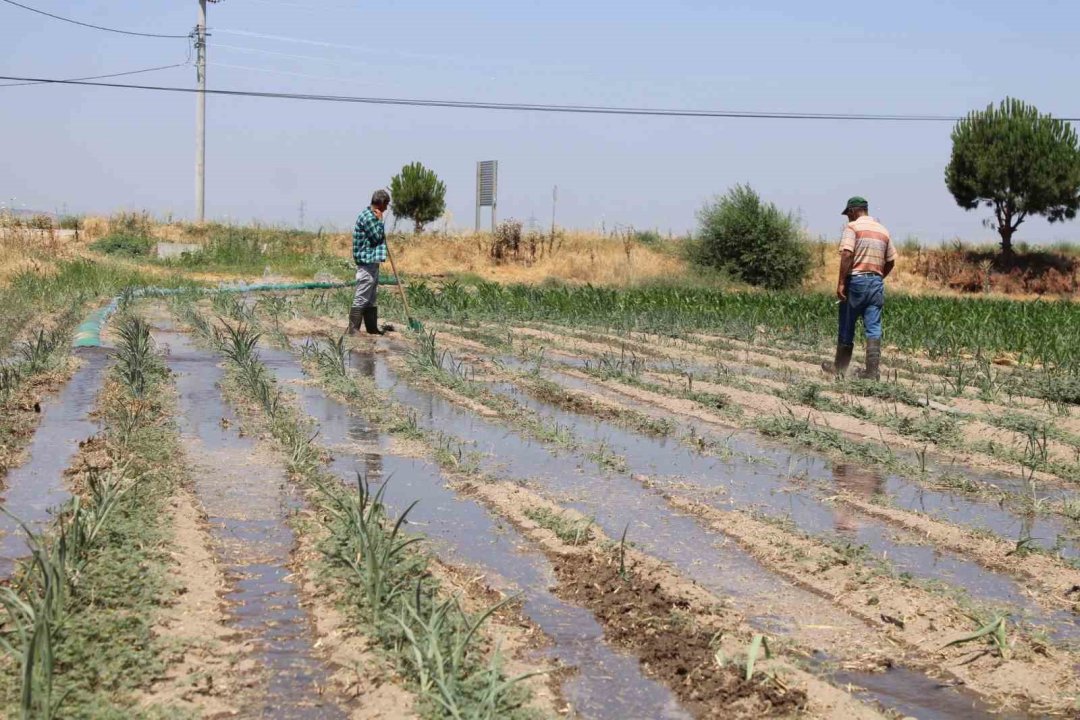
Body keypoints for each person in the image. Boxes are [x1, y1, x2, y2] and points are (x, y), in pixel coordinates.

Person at [821, 196, 896, 380]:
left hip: (856, 282)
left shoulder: (852, 228)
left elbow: (847, 254)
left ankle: (840, 368)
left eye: (848, 214)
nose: (848, 218)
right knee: (873, 327)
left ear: (854, 211)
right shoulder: (883, 230)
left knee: (847, 323)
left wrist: (840, 283)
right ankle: (872, 373)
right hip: (876, 283)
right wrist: (877, 276)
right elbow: (891, 261)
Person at [349, 189, 393, 335]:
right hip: (366, 263)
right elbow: (376, 237)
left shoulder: (373, 215)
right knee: (362, 296)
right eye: (386, 205)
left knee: (371, 297)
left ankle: (372, 329)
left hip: (372, 262)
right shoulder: (369, 217)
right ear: (380, 203)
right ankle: (353, 330)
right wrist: (380, 222)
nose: (386, 208)